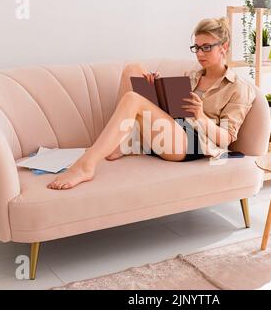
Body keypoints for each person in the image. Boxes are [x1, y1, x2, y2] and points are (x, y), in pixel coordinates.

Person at [47, 17, 255, 190]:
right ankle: (123, 145)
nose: (200, 53)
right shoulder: (192, 75)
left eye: (207, 47)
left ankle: (87, 165)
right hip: (173, 127)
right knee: (133, 69)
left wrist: (200, 116)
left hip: (193, 144)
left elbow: (227, 139)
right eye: (197, 47)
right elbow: (175, 110)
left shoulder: (239, 88)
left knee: (132, 100)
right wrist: (156, 88)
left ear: (224, 48)